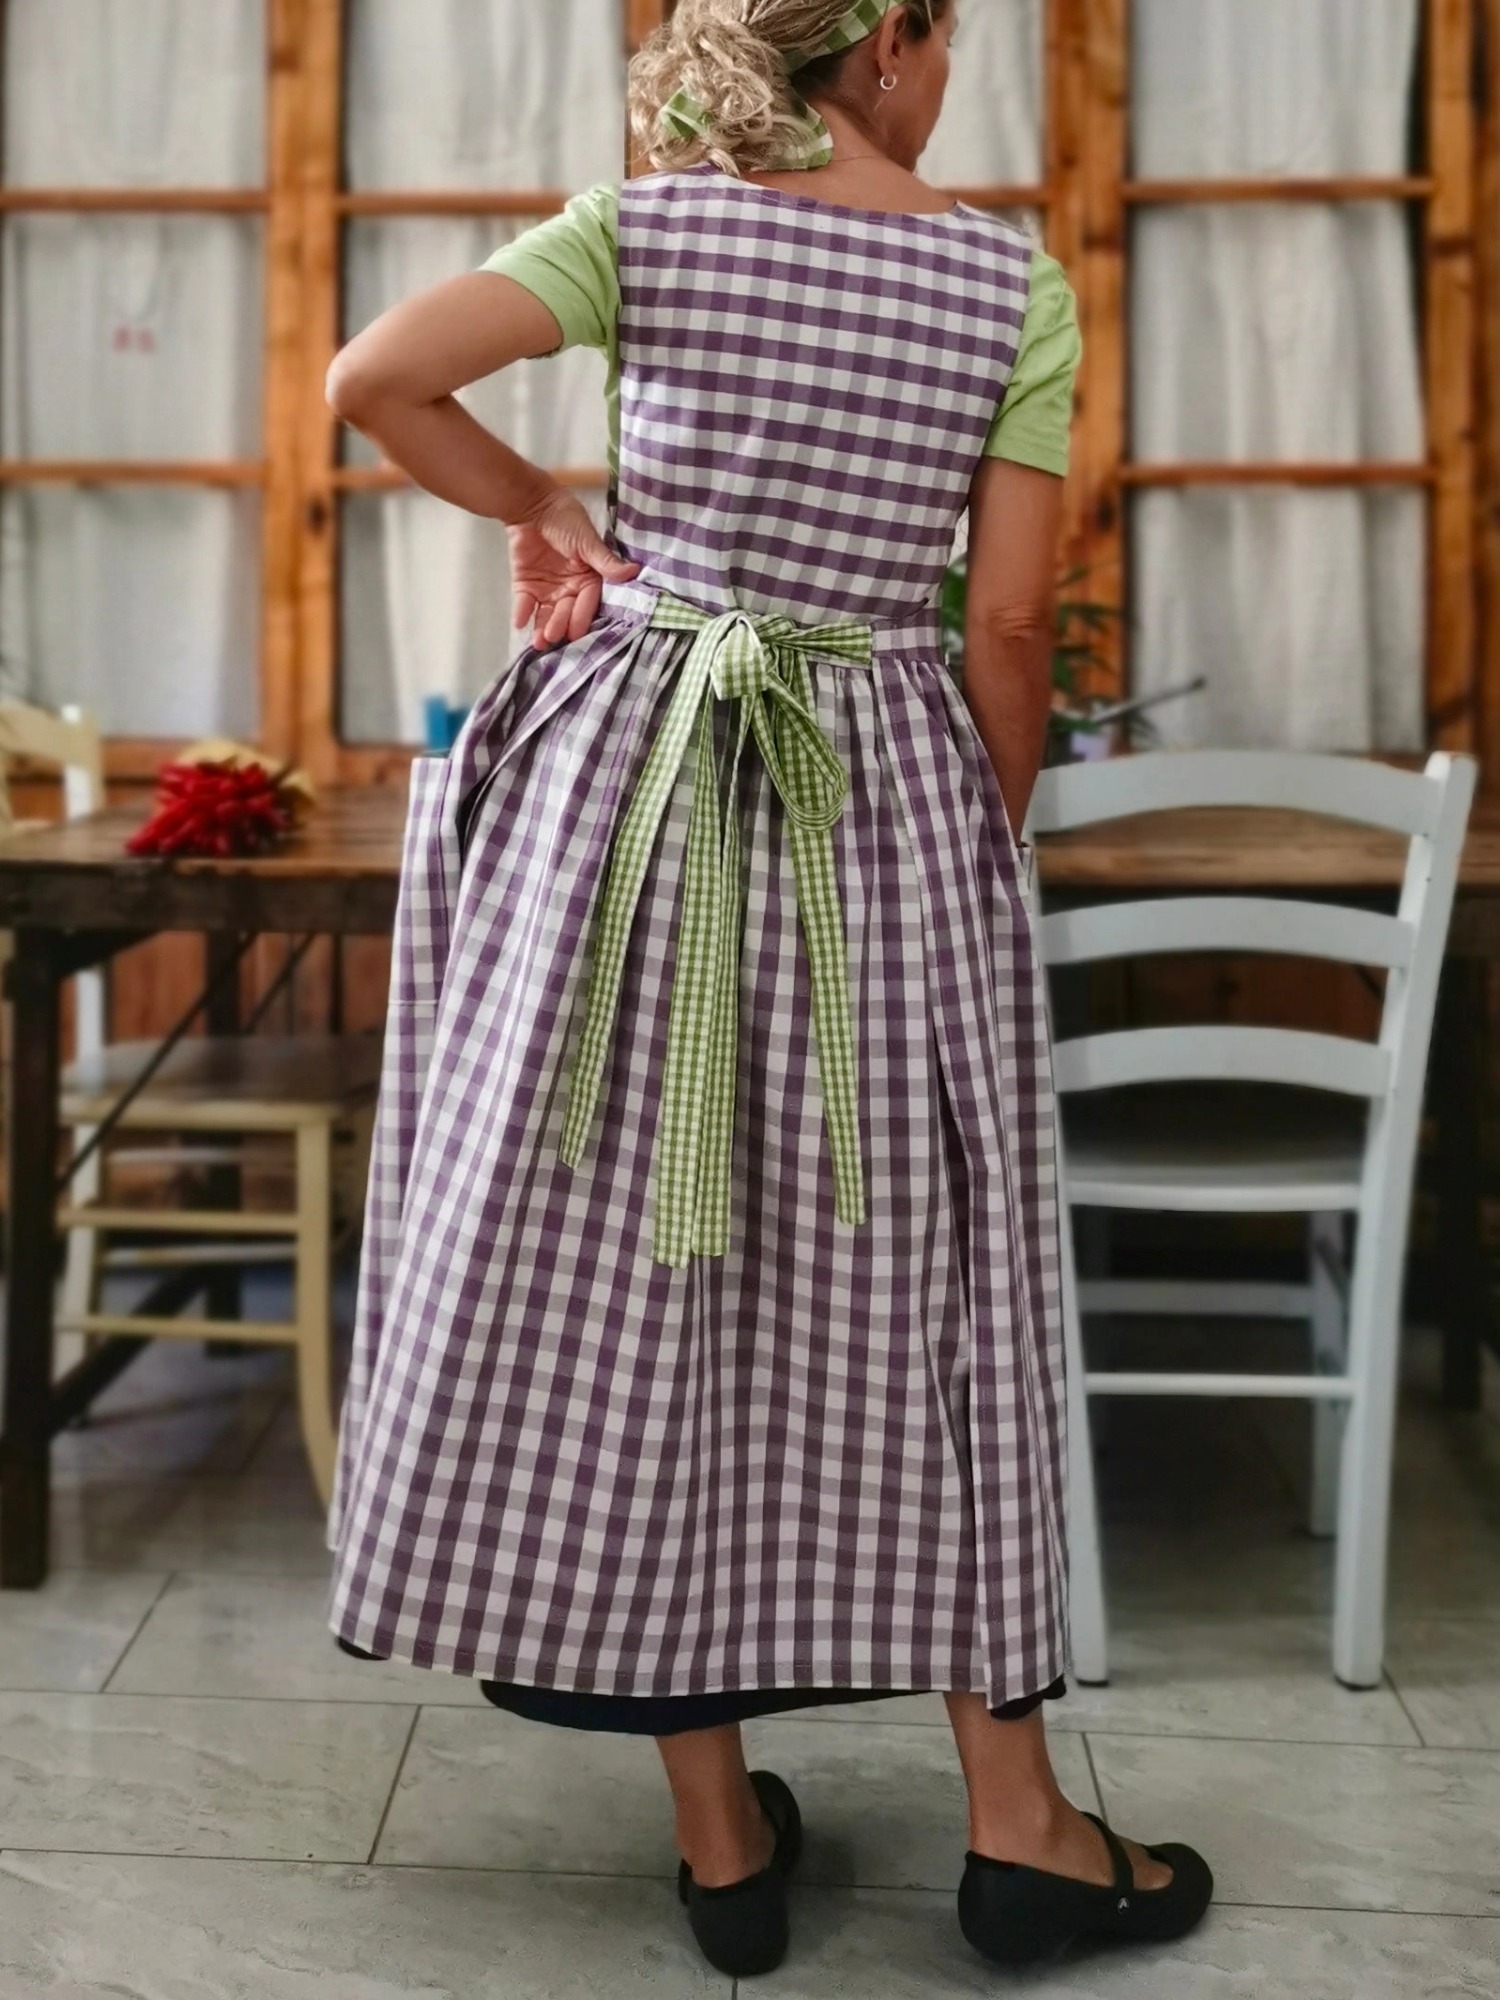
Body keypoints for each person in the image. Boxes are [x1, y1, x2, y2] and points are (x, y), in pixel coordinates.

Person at [321, 0, 1213, 1978]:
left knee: (647, 1279)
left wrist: (545, 508)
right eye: (949, 41)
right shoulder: (1003, 283)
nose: (951, 76)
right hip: (869, 793)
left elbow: (374, 376)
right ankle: (1021, 1828)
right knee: (938, 1275)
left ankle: (724, 1852)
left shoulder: (647, 223)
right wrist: (968, 841)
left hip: (621, 798)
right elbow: (1004, 619)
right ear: (890, 42)